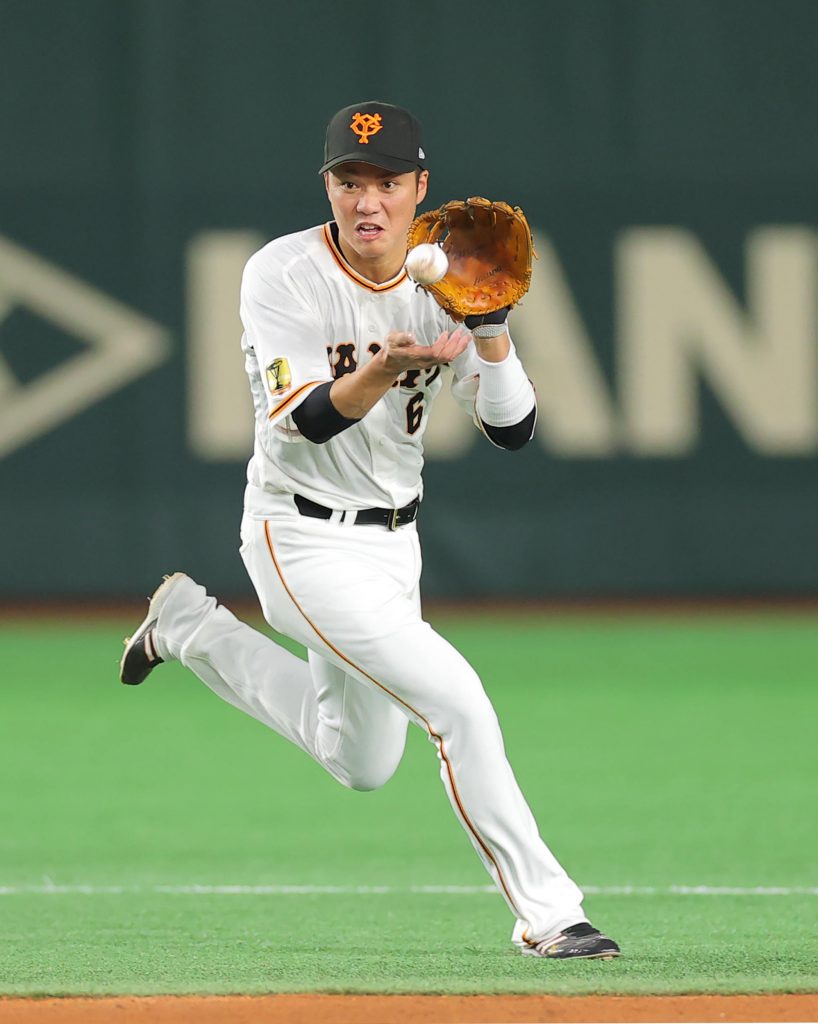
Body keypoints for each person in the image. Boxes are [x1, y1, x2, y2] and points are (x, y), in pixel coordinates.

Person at [119, 101, 620, 960]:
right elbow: (308, 420)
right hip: (298, 539)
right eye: (350, 181)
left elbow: (514, 429)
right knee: (457, 703)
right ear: (329, 187)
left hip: (395, 546)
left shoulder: (444, 283)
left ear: (419, 187)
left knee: (359, 762)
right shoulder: (282, 274)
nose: (368, 201)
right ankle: (550, 912)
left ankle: (188, 627)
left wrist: (491, 331)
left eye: (387, 181)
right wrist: (384, 369)